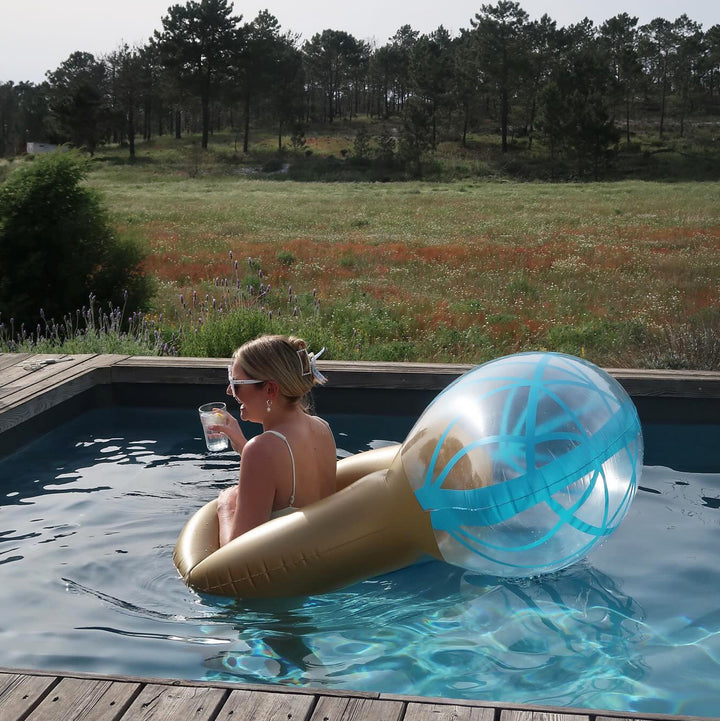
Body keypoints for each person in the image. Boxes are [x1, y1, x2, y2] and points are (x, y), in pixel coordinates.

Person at [210, 335, 337, 546]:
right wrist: (242, 444)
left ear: (270, 389)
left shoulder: (261, 450)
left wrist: (225, 507)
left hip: (286, 576)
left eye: (236, 383)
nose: (229, 391)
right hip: (322, 562)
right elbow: (288, 473)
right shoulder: (322, 427)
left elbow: (236, 556)